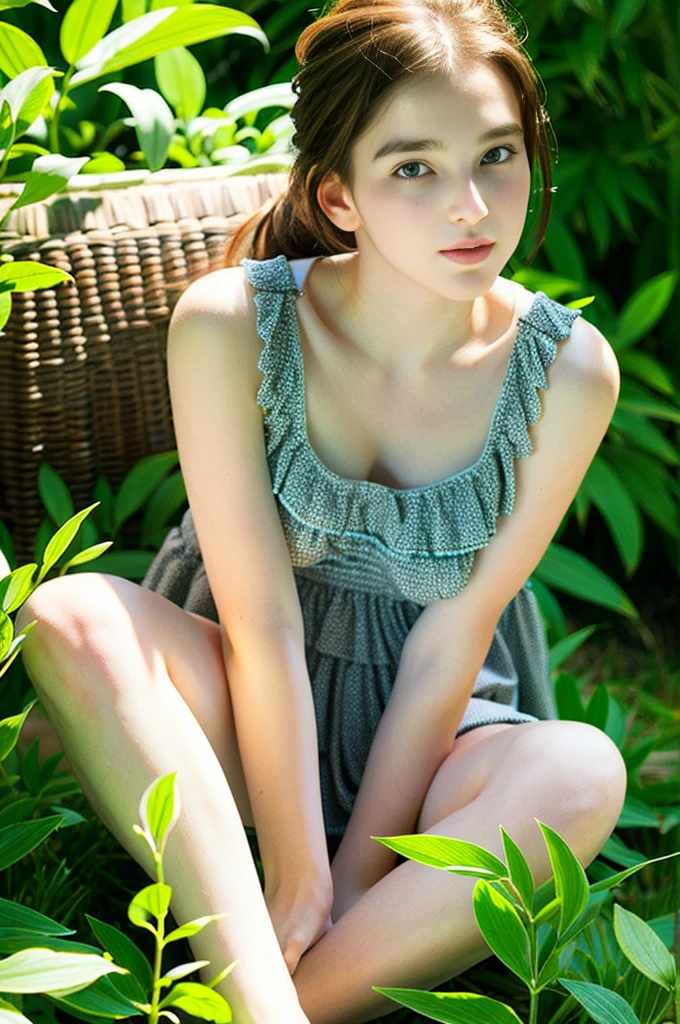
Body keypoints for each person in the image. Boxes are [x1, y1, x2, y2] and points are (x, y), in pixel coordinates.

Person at [15, 0, 628, 1021]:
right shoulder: (233, 324)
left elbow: (453, 637)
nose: (472, 204)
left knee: (580, 769)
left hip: (434, 747)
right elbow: (260, 619)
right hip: (241, 722)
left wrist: (348, 877)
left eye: (496, 155)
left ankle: (274, 991)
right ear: (337, 194)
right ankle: (268, 992)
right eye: (414, 168)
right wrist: (299, 867)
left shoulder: (567, 370)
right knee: (70, 613)